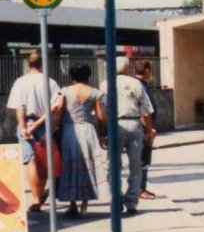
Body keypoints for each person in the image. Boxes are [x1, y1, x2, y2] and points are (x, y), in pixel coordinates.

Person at [100, 56, 156, 214]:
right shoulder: (135, 83)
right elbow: (145, 109)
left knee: (113, 166)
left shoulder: (105, 84)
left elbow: (102, 110)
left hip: (115, 125)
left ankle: (116, 200)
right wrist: (150, 130)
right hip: (134, 124)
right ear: (127, 68)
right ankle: (131, 201)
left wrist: (103, 132)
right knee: (135, 165)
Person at [5, 52, 59, 211]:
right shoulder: (50, 82)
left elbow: (19, 107)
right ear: (43, 63)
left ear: (28, 64)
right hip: (44, 123)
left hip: (26, 122)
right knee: (44, 160)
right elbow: (53, 108)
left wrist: (24, 127)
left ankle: (36, 199)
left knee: (31, 162)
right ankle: (41, 193)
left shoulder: (20, 82)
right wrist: (37, 126)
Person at [52, 65, 108, 217]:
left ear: (72, 76)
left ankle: (72, 205)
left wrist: (54, 130)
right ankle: (84, 205)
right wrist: (104, 132)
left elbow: (59, 112)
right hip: (88, 130)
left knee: (70, 165)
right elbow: (102, 117)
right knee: (87, 165)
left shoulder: (65, 91)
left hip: (70, 131)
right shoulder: (95, 93)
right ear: (88, 75)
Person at [134, 60, 159, 200]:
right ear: (147, 70)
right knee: (143, 157)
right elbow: (142, 110)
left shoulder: (141, 84)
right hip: (144, 127)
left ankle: (141, 188)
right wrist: (149, 129)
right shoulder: (140, 86)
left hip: (145, 126)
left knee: (144, 157)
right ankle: (140, 189)